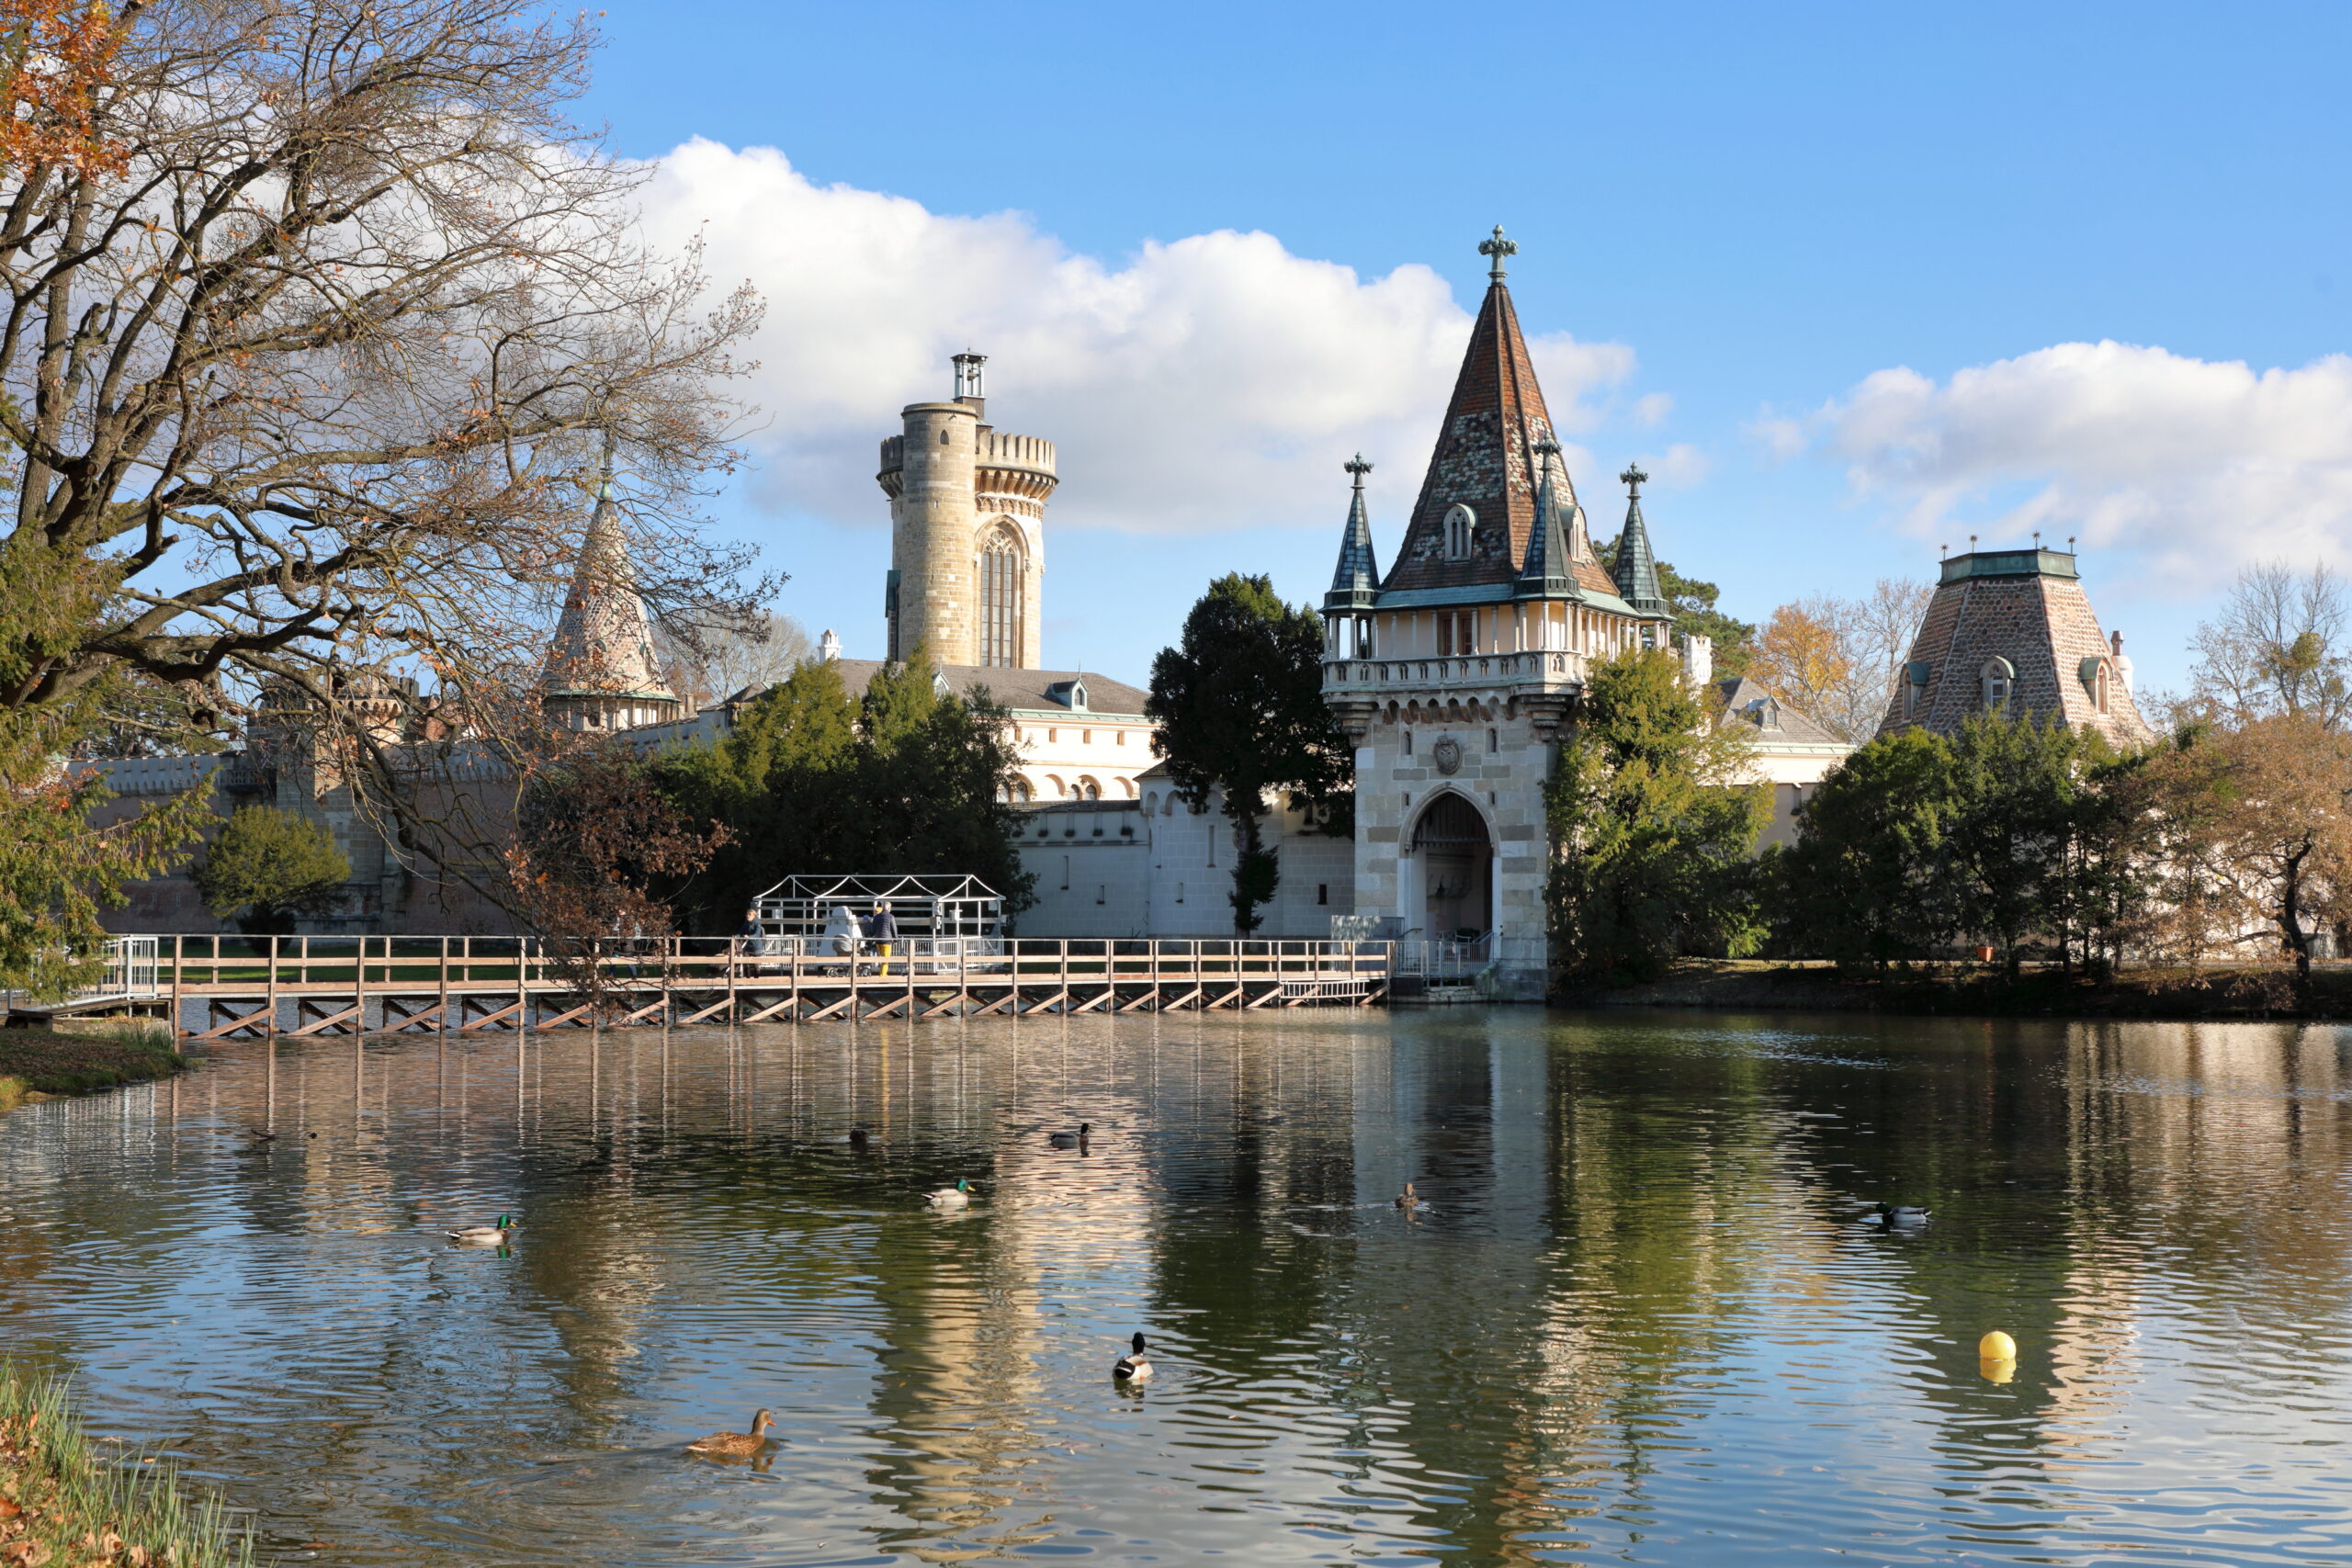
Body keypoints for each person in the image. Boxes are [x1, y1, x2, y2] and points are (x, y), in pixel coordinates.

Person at [822, 903, 859, 973]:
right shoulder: (851, 925)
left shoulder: (833, 929)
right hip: (847, 949)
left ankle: (839, 967)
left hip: (838, 948)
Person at [867, 903, 899, 973]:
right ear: (889, 908)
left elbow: (873, 930)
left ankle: (882, 973)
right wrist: (896, 940)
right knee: (886, 960)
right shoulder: (891, 916)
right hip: (887, 941)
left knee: (882, 959)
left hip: (878, 941)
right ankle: (883, 976)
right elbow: (894, 929)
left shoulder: (876, 917)